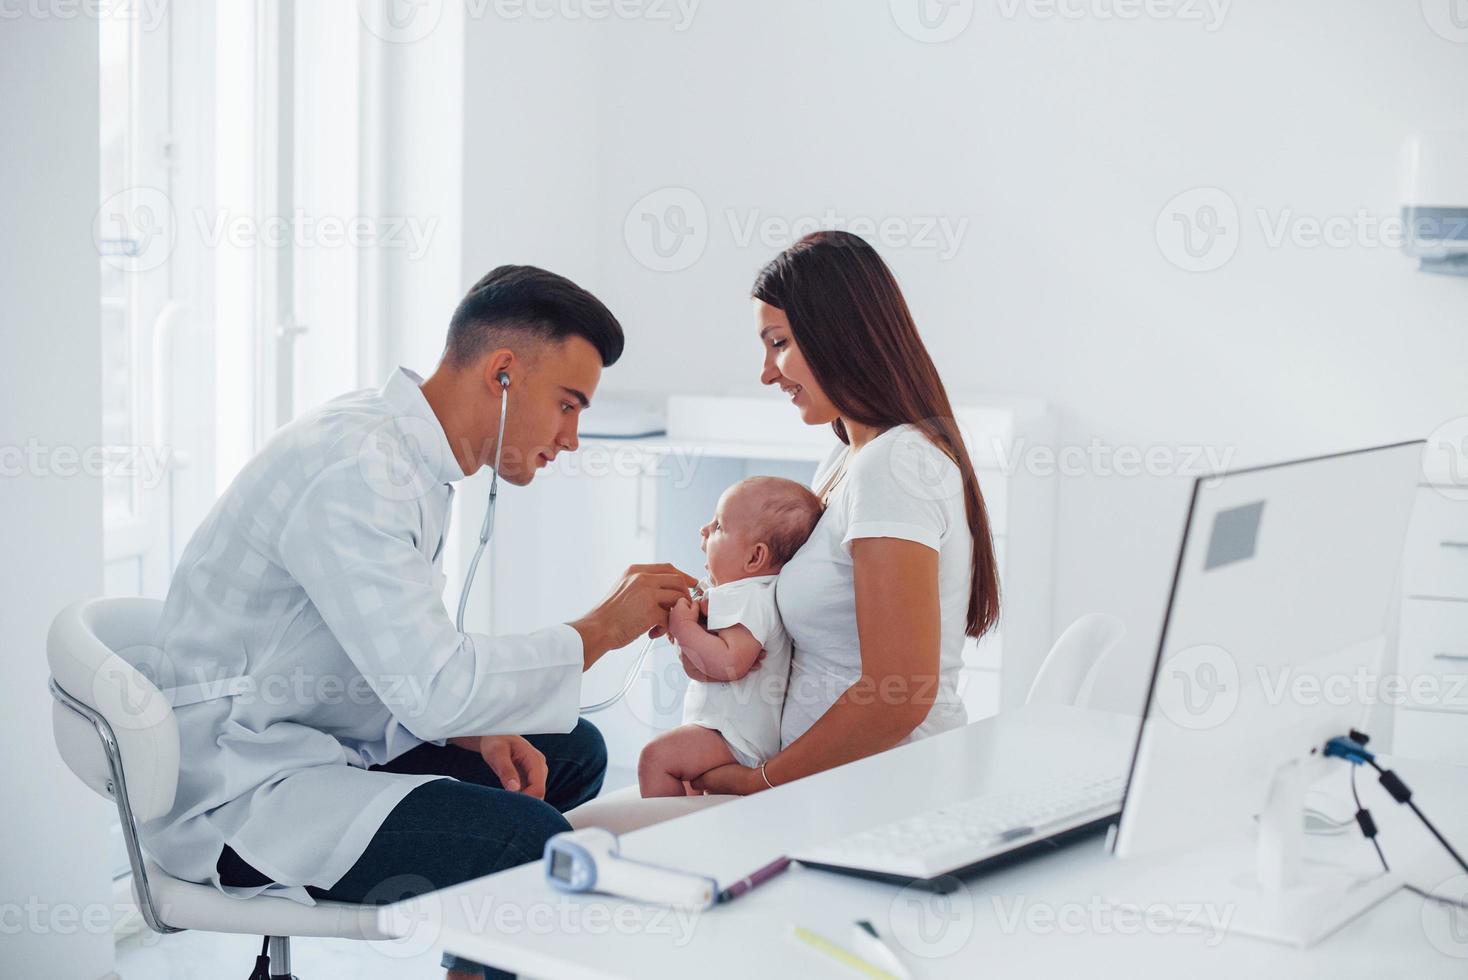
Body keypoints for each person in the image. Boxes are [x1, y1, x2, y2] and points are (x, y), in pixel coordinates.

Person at [146, 264, 698, 980]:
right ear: (503, 374)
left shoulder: (405, 459)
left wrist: (477, 728)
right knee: (530, 843)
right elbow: (435, 685)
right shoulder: (359, 471)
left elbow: (384, 662)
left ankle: (472, 959)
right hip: (237, 793)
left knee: (574, 748)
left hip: (306, 736)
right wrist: (603, 627)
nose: (571, 439)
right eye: (568, 405)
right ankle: (491, 920)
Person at [687, 230, 1003, 797]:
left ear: (839, 334)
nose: (767, 371)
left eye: (778, 343)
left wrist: (760, 783)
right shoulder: (846, 457)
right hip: (823, 787)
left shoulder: (894, 465)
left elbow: (900, 692)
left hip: (879, 795)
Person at [637, 476, 822, 797]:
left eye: (719, 526)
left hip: (735, 738)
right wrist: (687, 638)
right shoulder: (744, 595)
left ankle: (661, 838)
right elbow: (703, 669)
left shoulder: (746, 597)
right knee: (681, 779)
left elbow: (730, 664)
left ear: (754, 558)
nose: (704, 530)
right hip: (726, 733)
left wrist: (684, 629)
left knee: (656, 758)